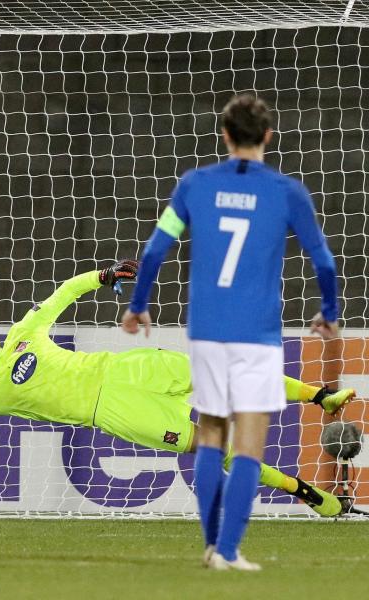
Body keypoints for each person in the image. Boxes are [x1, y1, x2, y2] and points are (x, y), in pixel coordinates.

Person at [0, 263, 351, 519]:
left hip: (129, 370)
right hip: (116, 411)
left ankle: (318, 396)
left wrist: (103, 276)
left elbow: (63, 293)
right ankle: (307, 493)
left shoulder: (25, 331)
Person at [122, 94, 340, 571]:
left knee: (212, 433)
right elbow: (323, 259)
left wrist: (138, 305)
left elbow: (156, 249)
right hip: (256, 334)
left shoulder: (194, 184)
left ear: (224, 135)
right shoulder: (287, 191)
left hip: (206, 331)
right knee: (248, 445)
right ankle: (227, 550)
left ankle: (210, 546)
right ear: (267, 136)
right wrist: (329, 311)